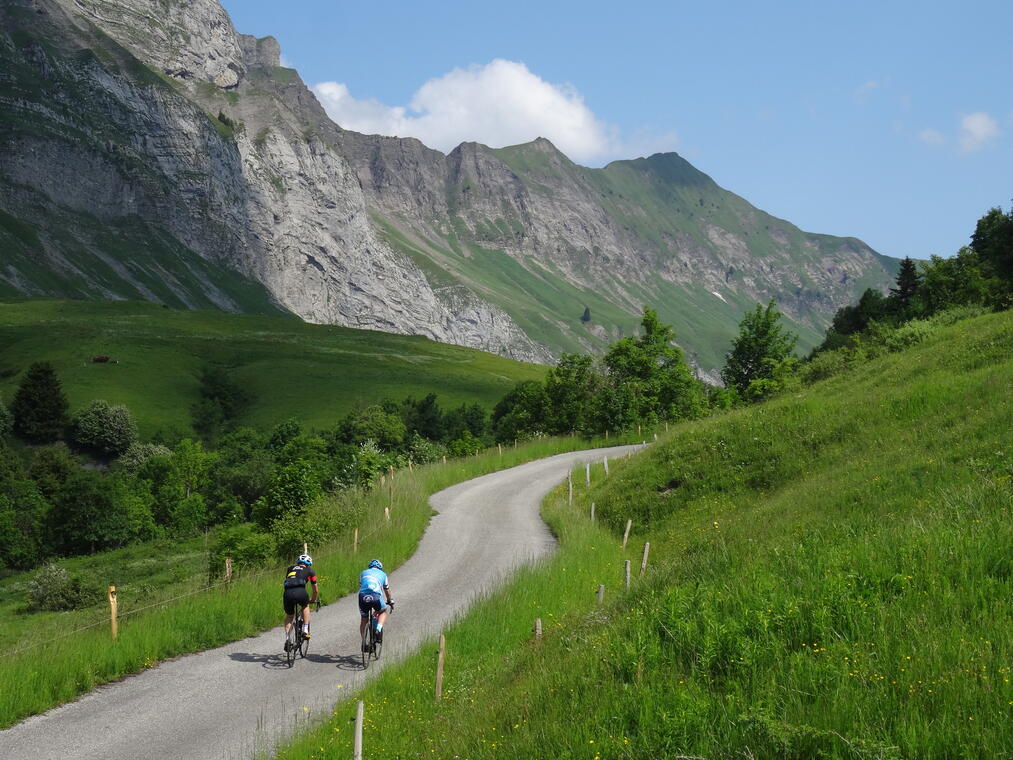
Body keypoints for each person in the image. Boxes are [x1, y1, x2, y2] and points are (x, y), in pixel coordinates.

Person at [283, 554, 318, 649]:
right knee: (305, 606)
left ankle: (287, 639)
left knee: (290, 616)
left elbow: (289, 580)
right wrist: (313, 599)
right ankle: (305, 630)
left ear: (298, 562)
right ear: (309, 564)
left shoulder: (290, 568)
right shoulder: (310, 571)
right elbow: (315, 589)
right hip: (300, 591)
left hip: (287, 593)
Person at [358, 558, 394, 649]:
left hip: (363, 596)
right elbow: (387, 590)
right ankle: (378, 629)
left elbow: (361, 585)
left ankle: (363, 642)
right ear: (380, 568)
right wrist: (390, 601)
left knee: (363, 619)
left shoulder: (363, 573)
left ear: (370, 567)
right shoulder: (383, 574)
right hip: (376, 596)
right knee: (383, 612)